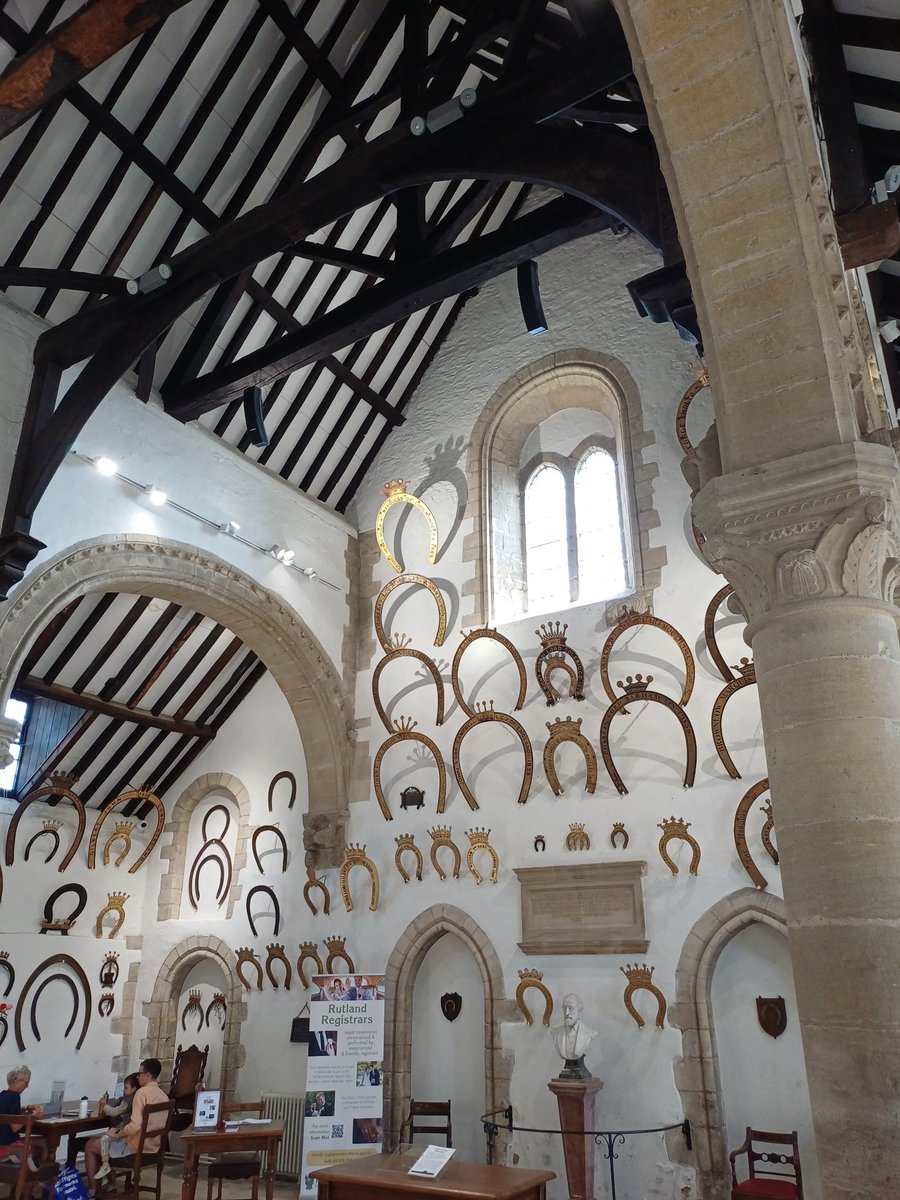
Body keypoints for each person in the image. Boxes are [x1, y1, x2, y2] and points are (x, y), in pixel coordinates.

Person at [84, 1059, 167, 1193]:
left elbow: (134, 1127)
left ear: (148, 1075)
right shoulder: (164, 1096)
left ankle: (94, 1189)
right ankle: (109, 1184)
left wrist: (117, 1134)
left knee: (91, 1145)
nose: (138, 1077)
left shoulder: (141, 1094)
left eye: (139, 1074)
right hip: (154, 1149)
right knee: (104, 1142)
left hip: (135, 1149)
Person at [89, 1073, 139, 1183]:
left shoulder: (128, 1100)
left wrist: (104, 1105)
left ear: (134, 1089)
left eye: (126, 1088)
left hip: (124, 1130)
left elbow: (115, 1112)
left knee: (104, 1138)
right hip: (130, 1133)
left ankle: (105, 1164)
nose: (123, 1090)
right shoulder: (136, 1098)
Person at [0, 1066, 44, 1166]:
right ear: (17, 1081)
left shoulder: (3, 1095)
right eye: (26, 1082)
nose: (27, 1086)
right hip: (8, 1145)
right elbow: (15, 1127)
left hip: (1, 1142)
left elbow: (9, 1113)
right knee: (43, 1144)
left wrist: (26, 1108)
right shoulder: (15, 1096)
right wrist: (32, 1115)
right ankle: (33, 1174)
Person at [551, 993, 598, 1063]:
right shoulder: (556, 1032)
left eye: (571, 1008)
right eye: (564, 1008)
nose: (567, 1013)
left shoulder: (589, 1033)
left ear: (579, 1010)